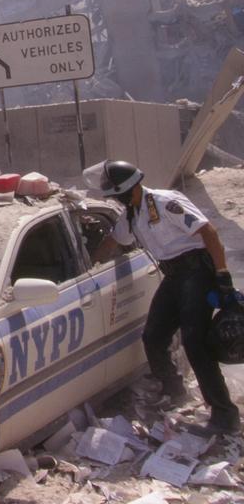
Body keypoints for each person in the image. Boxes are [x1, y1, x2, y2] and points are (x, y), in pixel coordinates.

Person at [89, 159, 240, 436]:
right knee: (154, 336)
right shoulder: (130, 215)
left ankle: (225, 415)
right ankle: (174, 391)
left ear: (130, 188)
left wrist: (222, 274)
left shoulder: (166, 202)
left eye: (117, 195)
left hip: (196, 271)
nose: (117, 200)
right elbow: (113, 241)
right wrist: (90, 264)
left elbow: (209, 232)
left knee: (195, 342)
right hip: (173, 276)